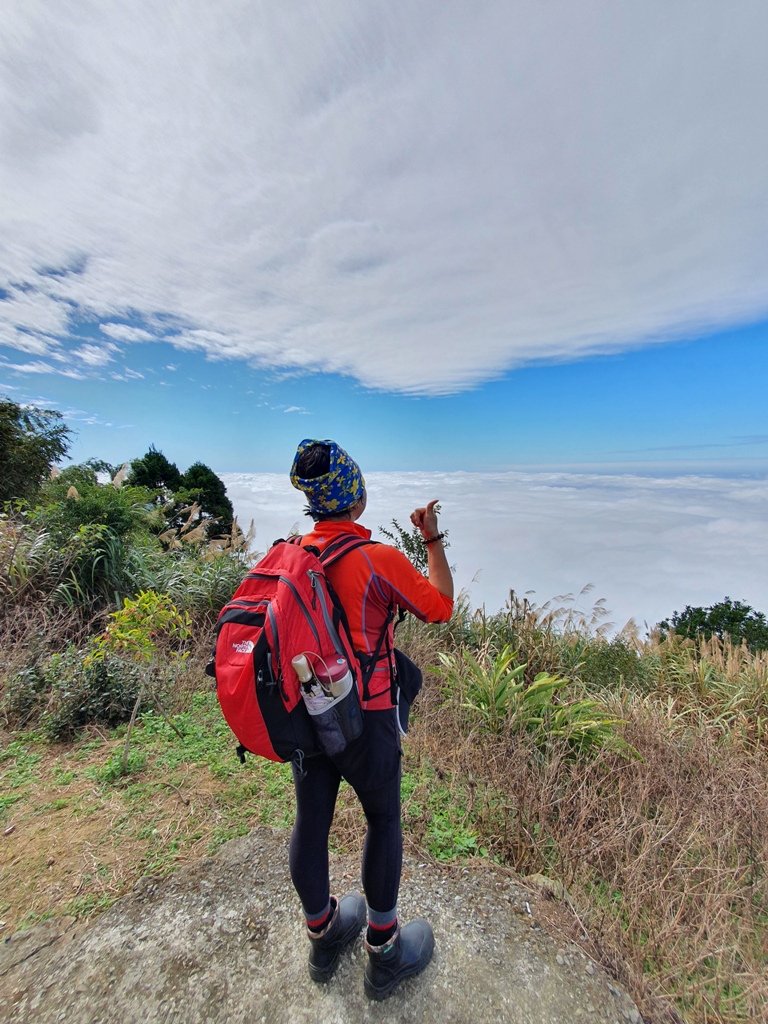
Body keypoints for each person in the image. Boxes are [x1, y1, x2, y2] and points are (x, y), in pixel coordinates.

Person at [288, 438, 454, 1000]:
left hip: (310, 714)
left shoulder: (293, 554)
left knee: (311, 822)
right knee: (383, 821)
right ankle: (384, 953)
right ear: (355, 496)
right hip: (368, 716)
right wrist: (430, 536)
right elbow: (440, 607)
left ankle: (324, 930)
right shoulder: (378, 560)